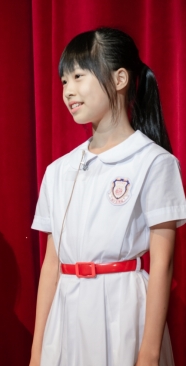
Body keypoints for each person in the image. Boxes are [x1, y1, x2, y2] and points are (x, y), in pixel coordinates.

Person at [30, 27, 186, 366]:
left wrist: (149, 353)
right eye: (63, 81)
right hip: (66, 316)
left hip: (122, 313)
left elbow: (163, 264)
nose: (68, 90)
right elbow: (51, 264)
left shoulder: (154, 162)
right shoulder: (58, 170)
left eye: (78, 76)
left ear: (119, 79)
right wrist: (36, 352)